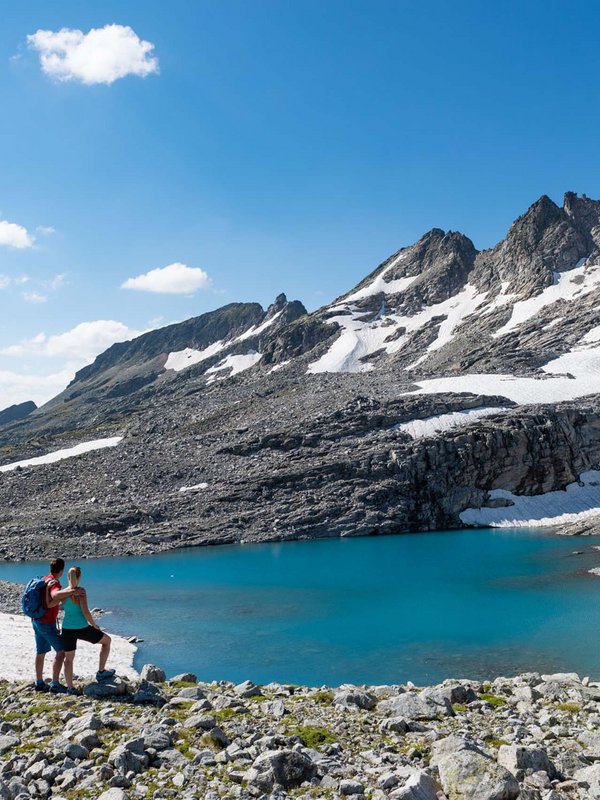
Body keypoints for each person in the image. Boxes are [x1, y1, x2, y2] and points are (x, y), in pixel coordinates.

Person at [33, 558, 84, 693]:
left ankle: (39, 682)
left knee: (41, 651)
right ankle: (55, 683)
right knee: (61, 651)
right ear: (61, 571)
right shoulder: (54, 582)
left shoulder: (45, 579)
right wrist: (72, 591)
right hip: (46, 623)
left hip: (37, 619)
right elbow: (55, 594)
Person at [62, 566, 114, 694]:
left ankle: (70, 688)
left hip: (67, 629)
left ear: (68, 577)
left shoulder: (62, 593)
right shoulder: (81, 591)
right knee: (107, 641)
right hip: (82, 628)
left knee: (68, 659)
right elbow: (85, 611)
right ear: (79, 577)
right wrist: (94, 624)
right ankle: (101, 672)